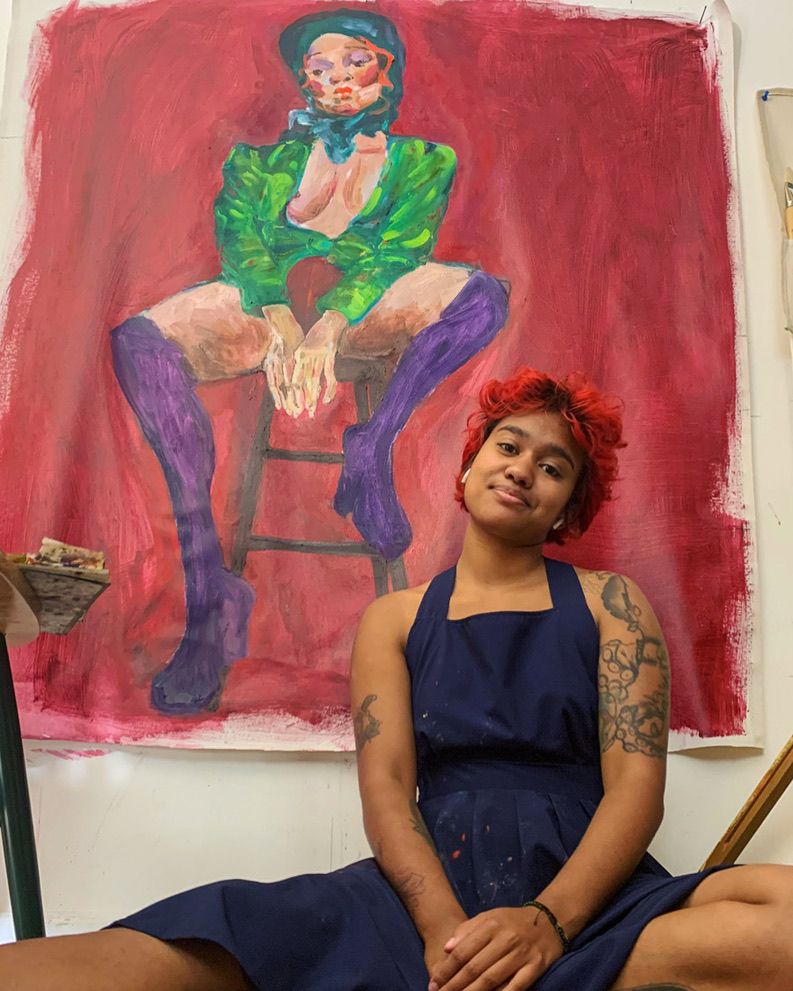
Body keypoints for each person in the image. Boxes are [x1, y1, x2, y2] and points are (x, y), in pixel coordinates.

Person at [2, 366, 792, 991]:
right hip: (420, 891)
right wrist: (444, 934)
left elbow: (635, 792)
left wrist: (548, 924)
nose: (523, 469)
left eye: (553, 467)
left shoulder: (610, 602)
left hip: (584, 896)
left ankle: (552, 968)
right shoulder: (395, 618)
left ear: (565, 509)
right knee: (154, 951)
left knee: (781, 914)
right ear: (470, 462)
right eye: (509, 446)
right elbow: (386, 790)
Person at [109, 8, 508, 716]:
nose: (337, 79)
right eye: (320, 69)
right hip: (271, 310)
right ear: (305, 82)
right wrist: (281, 321)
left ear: (386, 70)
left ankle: (372, 443)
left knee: (481, 297)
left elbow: (396, 255)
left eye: (354, 61)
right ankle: (209, 594)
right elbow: (243, 247)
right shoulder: (256, 163)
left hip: (366, 308)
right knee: (139, 342)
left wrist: (328, 328)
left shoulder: (425, 161)